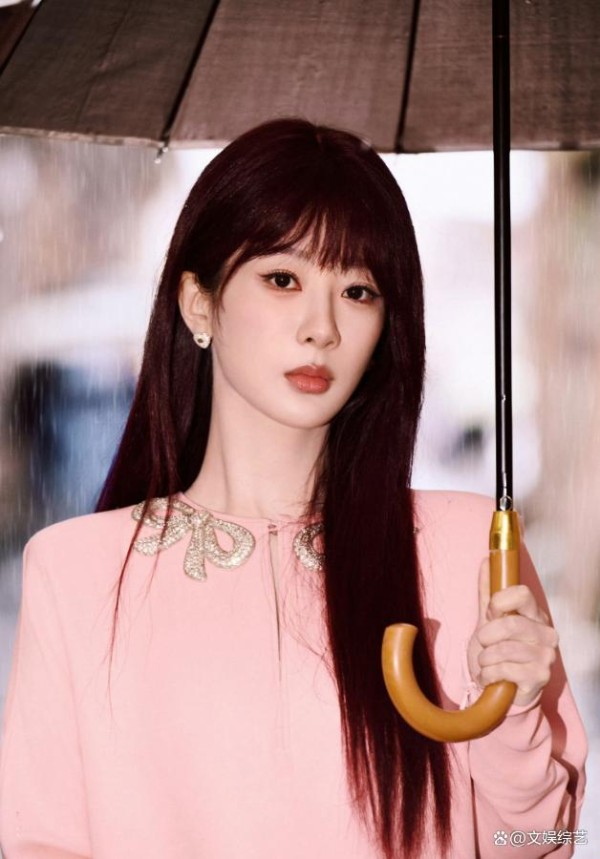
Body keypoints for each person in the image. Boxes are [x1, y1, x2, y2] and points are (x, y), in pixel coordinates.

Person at [0, 119, 587, 858]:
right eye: (283, 279)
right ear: (198, 303)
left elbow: (546, 841)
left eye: (358, 290)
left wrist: (516, 718)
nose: (322, 328)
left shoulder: (470, 548)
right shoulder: (75, 572)